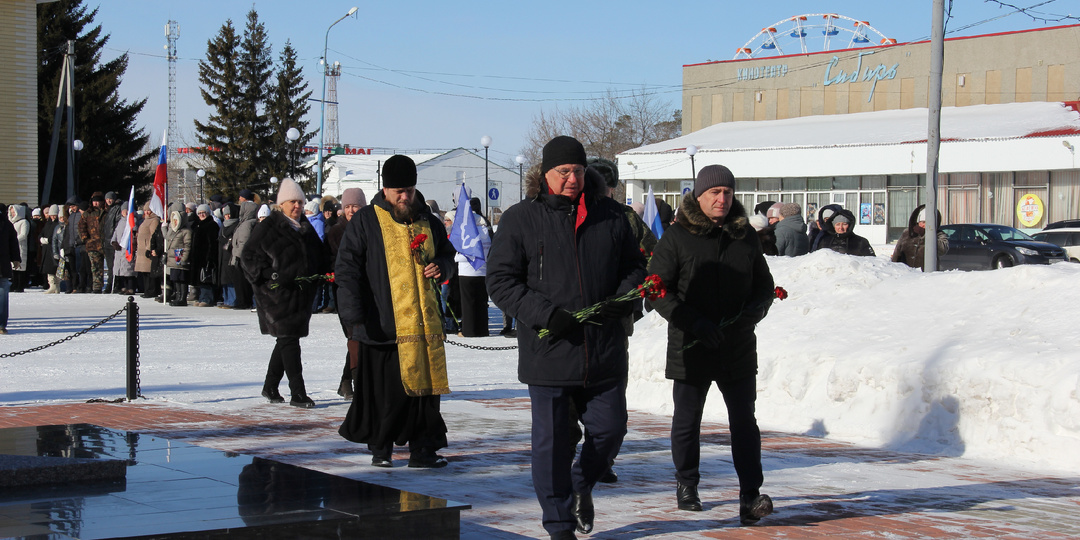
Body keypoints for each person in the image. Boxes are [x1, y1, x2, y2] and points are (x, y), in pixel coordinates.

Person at [487, 136, 647, 539]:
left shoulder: (611, 215)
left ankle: (580, 485)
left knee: (611, 429)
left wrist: (622, 298)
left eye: (578, 170)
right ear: (546, 174)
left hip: (603, 349)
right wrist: (546, 315)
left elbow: (635, 266)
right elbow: (501, 281)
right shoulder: (521, 218)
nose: (573, 179)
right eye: (564, 172)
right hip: (550, 351)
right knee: (553, 445)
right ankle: (559, 526)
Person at [647, 164, 776, 526]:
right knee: (688, 420)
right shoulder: (677, 236)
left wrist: (752, 314)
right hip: (691, 344)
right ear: (699, 196)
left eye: (728, 193)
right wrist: (693, 322)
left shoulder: (745, 236)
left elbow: (764, 286)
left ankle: (750, 494)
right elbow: (656, 289)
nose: (722, 199)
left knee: (744, 421)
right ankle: (687, 484)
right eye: (714, 193)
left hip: (736, 345)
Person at [336, 155, 455, 468]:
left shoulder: (428, 220)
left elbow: (447, 255)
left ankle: (423, 450)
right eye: (399, 191)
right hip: (382, 325)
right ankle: (381, 449)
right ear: (385, 189)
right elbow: (347, 270)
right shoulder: (366, 221)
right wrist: (353, 318)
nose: (405, 197)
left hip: (424, 326)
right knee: (385, 394)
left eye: (409, 191)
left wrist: (441, 267)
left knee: (424, 395)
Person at [241, 178, 329, 409]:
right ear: (282, 204)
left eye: (300, 202)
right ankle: (298, 393)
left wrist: (323, 273)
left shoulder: (305, 227)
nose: (297, 206)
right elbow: (248, 257)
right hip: (276, 295)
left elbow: (319, 255)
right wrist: (271, 276)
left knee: (286, 339)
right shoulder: (269, 226)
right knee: (289, 339)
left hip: (300, 294)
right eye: (292, 202)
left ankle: (270, 386)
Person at [325, 187, 365, 399]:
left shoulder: (369, 228)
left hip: (367, 291)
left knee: (359, 338)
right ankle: (355, 382)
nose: (351, 210)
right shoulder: (336, 232)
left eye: (355, 206)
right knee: (354, 337)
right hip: (345, 291)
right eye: (347, 206)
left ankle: (346, 382)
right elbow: (329, 260)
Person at [455, 198, 492, 337]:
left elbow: (460, 251)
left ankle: (469, 330)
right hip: (482, 269)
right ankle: (482, 329)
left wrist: (456, 258)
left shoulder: (466, 231)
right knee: (482, 302)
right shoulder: (485, 231)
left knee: (468, 302)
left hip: (466, 271)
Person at [892, 204, 948, 271]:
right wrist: (893, 267)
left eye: (927, 222)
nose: (924, 225)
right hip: (906, 273)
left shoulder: (939, 234)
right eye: (923, 222)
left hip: (925, 274)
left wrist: (927, 235)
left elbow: (943, 250)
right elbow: (897, 252)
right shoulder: (908, 233)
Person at [230, 201, 259, 310]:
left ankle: (243, 302)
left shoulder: (246, 224)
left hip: (240, 257)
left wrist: (238, 256)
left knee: (241, 282)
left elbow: (243, 242)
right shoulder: (246, 222)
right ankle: (244, 301)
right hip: (242, 256)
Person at [189, 204, 219, 307]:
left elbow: (213, 243)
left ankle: (207, 299)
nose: (201, 215)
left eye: (203, 213)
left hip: (206, 256)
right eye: (199, 213)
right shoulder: (197, 225)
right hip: (197, 257)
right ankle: (201, 297)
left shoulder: (212, 225)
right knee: (200, 279)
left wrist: (210, 257)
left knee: (206, 278)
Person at [164, 203, 193, 306]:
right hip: (173, 258)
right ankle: (177, 296)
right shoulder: (174, 230)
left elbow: (187, 246)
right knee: (176, 279)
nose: (175, 222)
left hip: (180, 257)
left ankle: (182, 298)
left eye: (176, 220)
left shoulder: (186, 231)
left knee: (182, 279)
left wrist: (184, 258)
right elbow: (168, 239)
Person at [78, 193, 106, 293]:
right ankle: (97, 286)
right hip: (92, 244)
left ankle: (111, 285)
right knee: (95, 267)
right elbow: (81, 226)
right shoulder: (88, 213)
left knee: (111, 266)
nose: (96, 203)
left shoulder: (106, 212)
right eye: (94, 201)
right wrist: (85, 239)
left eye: (98, 201)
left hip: (106, 243)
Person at [135, 203, 163, 300]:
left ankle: (152, 290)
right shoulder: (146, 220)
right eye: (145, 210)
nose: (147, 212)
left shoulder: (154, 220)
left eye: (149, 210)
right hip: (141, 249)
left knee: (149, 271)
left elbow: (153, 235)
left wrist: (149, 248)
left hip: (147, 249)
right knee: (145, 272)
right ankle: (147, 290)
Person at [0, 204, 20, 334]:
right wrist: (16, 258)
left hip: (2, 264)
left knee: (2, 294)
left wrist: (16, 258)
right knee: (2, 295)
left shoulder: (6, 224)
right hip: (3, 265)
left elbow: (13, 242)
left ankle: (1, 324)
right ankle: (1, 325)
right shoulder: (6, 224)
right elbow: (13, 242)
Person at [109, 204, 137, 294]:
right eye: (123, 211)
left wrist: (132, 243)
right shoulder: (120, 221)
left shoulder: (133, 221)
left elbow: (134, 233)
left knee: (129, 269)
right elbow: (115, 233)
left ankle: (131, 287)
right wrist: (114, 242)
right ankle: (124, 287)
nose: (125, 212)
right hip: (119, 250)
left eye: (126, 211)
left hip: (127, 248)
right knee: (121, 269)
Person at [101, 191, 124, 293]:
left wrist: (115, 239)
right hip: (107, 241)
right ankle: (111, 284)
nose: (108, 201)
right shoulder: (108, 209)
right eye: (107, 199)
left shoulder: (117, 208)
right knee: (110, 265)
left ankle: (115, 284)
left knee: (115, 265)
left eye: (110, 199)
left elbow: (117, 225)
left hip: (113, 241)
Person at [8, 204, 29, 293]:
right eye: (11, 212)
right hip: (13, 247)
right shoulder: (11, 222)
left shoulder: (24, 222)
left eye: (14, 212)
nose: (13, 214)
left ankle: (20, 285)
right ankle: (14, 284)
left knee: (21, 267)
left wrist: (14, 240)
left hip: (21, 247)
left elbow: (23, 234)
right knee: (14, 268)